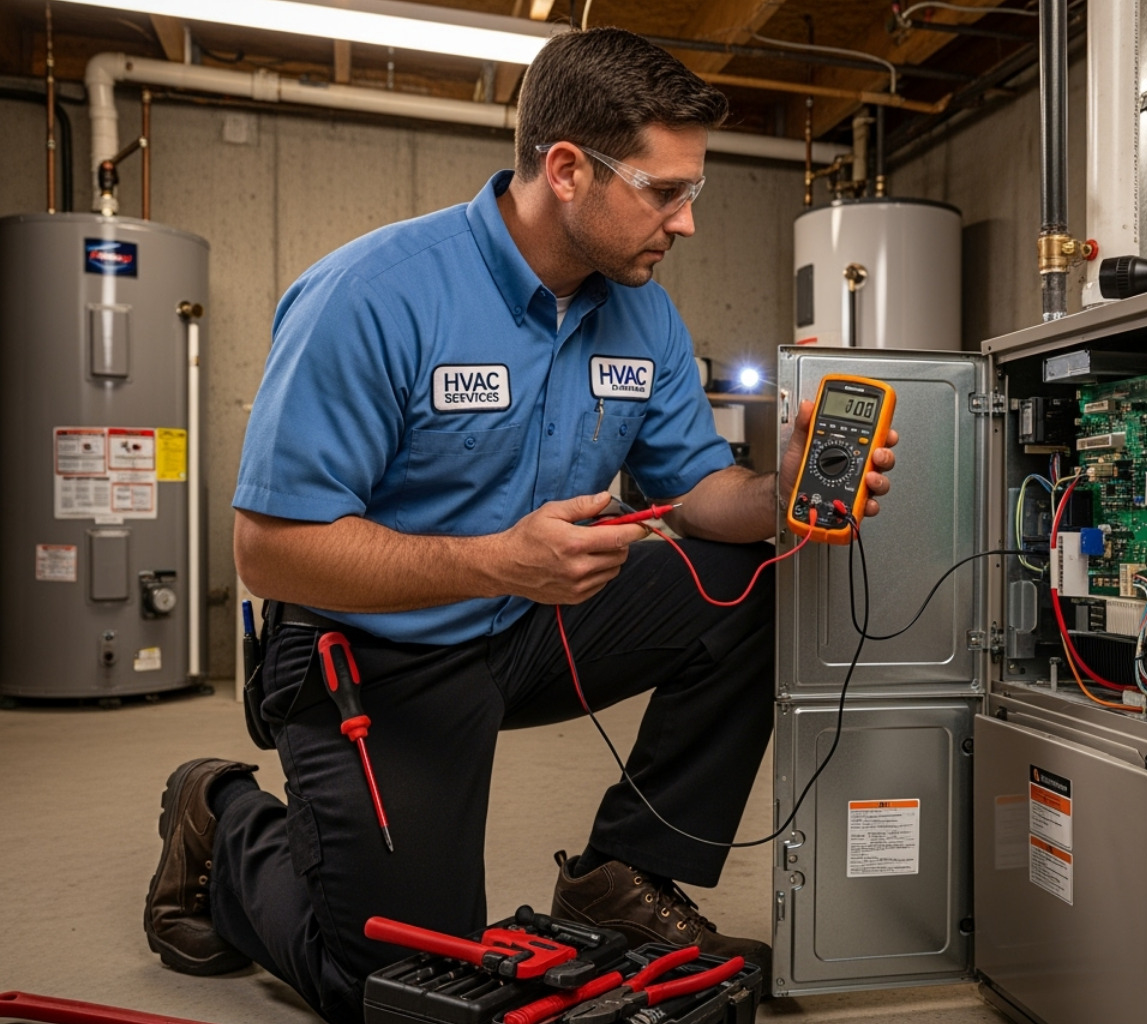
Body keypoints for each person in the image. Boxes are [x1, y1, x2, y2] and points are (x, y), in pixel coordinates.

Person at [141, 27, 896, 1024]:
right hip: (371, 649)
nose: (686, 223)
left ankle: (624, 874)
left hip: (529, 622)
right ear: (567, 169)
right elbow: (269, 548)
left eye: (692, 193)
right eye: (664, 192)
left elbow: (700, 492)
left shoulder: (645, 314)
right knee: (389, 984)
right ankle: (222, 813)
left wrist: (778, 489)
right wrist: (500, 558)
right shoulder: (374, 295)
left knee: (750, 576)